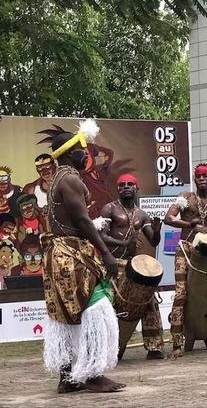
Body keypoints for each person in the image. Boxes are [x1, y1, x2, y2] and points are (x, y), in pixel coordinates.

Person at [41, 122, 124, 393]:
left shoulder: (56, 180)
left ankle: (67, 378)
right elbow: (82, 220)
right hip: (71, 253)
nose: (84, 153)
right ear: (67, 154)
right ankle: (92, 374)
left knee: (65, 316)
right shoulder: (70, 178)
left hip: (56, 255)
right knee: (96, 309)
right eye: (79, 149)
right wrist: (107, 254)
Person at [164, 163, 207, 358]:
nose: (202, 179)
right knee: (180, 295)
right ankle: (177, 343)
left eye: (206, 176)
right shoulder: (186, 197)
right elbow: (168, 218)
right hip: (186, 250)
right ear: (195, 180)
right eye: (199, 176)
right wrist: (190, 224)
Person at [99, 174, 164, 359]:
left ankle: (154, 347)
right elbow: (102, 236)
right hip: (113, 263)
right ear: (118, 189)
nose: (126, 187)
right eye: (122, 185)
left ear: (136, 188)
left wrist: (158, 232)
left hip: (132, 265)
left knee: (148, 300)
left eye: (130, 184)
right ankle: (112, 348)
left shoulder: (142, 215)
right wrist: (125, 243)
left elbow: (153, 240)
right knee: (110, 305)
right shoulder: (109, 209)